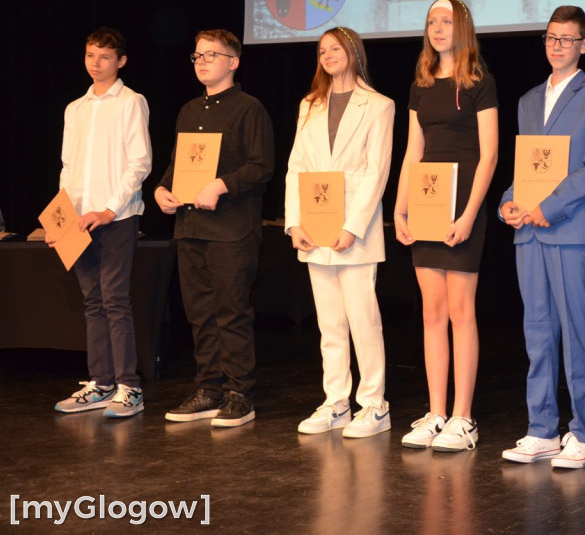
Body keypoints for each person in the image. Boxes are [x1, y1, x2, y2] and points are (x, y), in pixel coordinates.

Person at [498, 6, 585, 469]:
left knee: (576, 333)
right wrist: (509, 201)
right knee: (537, 333)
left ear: (584, 44)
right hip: (529, 233)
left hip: (570, 231)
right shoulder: (528, 100)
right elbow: (525, 168)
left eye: (567, 39)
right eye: (551, 37)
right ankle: (541, 428)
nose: (557, 46)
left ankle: (582, 434)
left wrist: (548, 207)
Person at [155, 29, 274, 428]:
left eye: (212, 54)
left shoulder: (249, 108)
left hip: (231, 229)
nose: (202, 61)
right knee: (199, 313)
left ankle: (240, 393)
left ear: (233, 62)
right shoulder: (189, 110)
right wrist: (161, 189)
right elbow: (177, 163)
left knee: (231, 312)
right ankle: (208, 388)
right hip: (190, 226)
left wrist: (221, 185)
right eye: (197, 56)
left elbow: (261, 167)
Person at [393, 0, 498, 451]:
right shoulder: (420, 83)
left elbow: (490, 154)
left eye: (446, 20)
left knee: (461, 311)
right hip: (428, 202)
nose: (438, 28)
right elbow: (413, 150)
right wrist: (399, 209)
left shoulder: (480, 81)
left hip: (463, 204)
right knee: (431, 312)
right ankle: (436, 412)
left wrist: (470, 214)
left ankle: (463, 417)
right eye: (432, 21)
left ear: (463, 28)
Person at [284, 27, 395, 437]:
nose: (328, 55)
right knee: (329, 322)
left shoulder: (379, 105)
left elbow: (377, 171)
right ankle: (336, 402)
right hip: (314, 224)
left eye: (335, 48)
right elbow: (297, 165)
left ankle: (374, 405)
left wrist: (353, 226)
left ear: (353, 52)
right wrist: (294, 222)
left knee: (363, 319)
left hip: (354, 230)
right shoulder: (309, 105)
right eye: (322, 50)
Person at [51, 27, 152, 418]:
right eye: (91, 55)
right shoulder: (75, 108)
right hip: (78, 221)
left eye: (105, 56)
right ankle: (101, 383)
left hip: (116, 218)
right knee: (92, 302)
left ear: (121, 61)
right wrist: (61, 219)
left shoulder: (131, 102)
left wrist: (109, 209)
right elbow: (68, 167)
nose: (96, 63)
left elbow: (139, 162)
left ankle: (130, 386)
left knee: (114, 300)